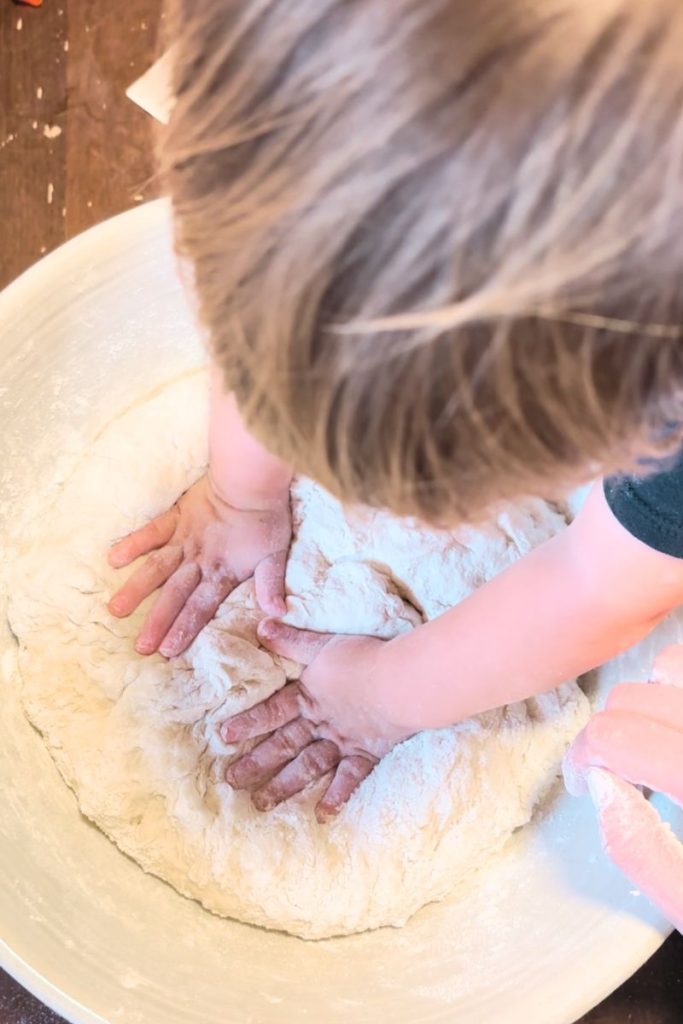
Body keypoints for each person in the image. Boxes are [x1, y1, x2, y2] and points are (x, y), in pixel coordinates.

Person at [109, 0, 683, 921]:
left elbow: (604, 579)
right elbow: (255, 277)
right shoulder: (287, 65)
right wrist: (239, 492)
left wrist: (382, 700)